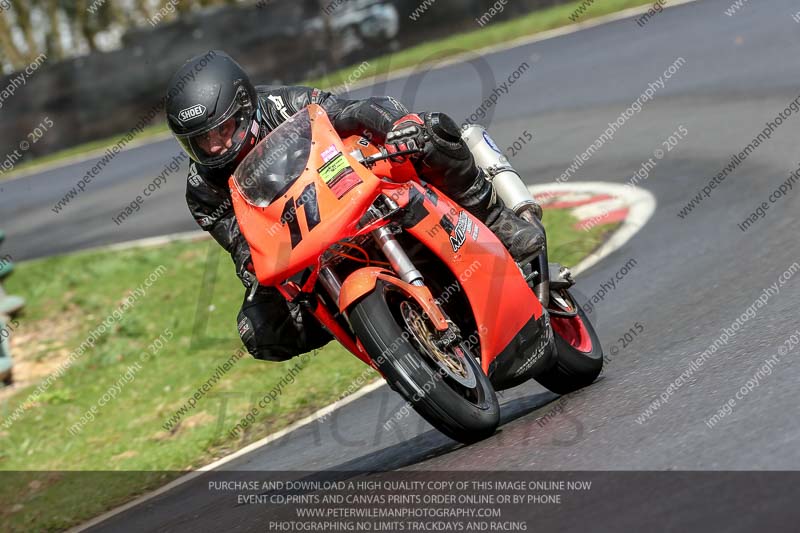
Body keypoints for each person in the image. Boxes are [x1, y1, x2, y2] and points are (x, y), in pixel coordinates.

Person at [165, 51, 543, 362]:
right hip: (305, 244)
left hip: (354, 190)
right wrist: (256, 271)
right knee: (260, 328)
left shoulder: (285, 104)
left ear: (245, 106)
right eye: (199, 141)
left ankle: (496, 219)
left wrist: (398, 126)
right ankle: (377, 332)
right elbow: (240, 244)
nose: (214, 147)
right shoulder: (202, 189)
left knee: (431, 133)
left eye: (221, 130)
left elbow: (354, 111)